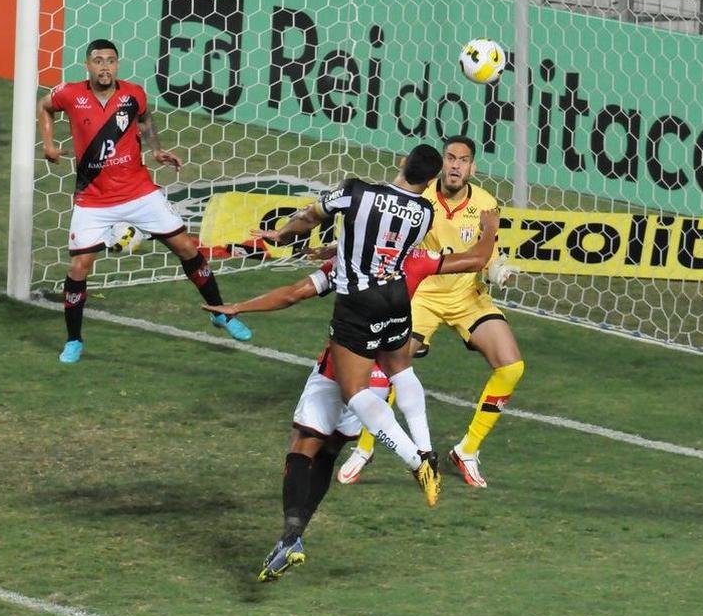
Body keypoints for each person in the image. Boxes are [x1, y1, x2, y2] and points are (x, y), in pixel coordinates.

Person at [207, 210, 499, 581]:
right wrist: (490, 228)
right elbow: (476, 258)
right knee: (329, 453)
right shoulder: (415, 261)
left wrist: (238, 306)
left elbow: (293, 294)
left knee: (303, 449)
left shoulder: (346, 266)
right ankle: (422, 457)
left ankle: (292, 536)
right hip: (380, 378)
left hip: (338, 371)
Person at [38, 38, 252, 363]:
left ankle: (221, 313)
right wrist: (49, 145)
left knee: (187, 248)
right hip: (93, 199)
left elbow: (145, 119)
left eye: (110, 60)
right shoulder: (70, 93)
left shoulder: (133, 93)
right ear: (87, 65)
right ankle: (73, 340)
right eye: (98, 61)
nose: (105, 66)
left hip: (139, 192)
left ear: (117, 64)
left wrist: (155, 149)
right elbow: (44, 106)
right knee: (79, 266)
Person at [254, 146, 444, 507]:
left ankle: (415, 462)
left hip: (360, 303)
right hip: (397, 299)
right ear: (431, 180)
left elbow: (311, 216)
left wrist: (282, 234)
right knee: (401, 370)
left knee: (354, 391)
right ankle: (427, 448)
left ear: (402, 161)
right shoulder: (425, 213)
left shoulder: (356, 190)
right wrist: (339, 248)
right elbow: (387, 245)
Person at [339, 135, 522, 488]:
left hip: (467, 296)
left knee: (512, 366)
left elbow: (488, 254)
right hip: (421, 294)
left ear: (473, 167)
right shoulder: (418, 198)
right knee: (391, 365)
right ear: (440, 164)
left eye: (463, 160)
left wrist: (498, 268)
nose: (455, 165)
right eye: (450, 158)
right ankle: (364, 448)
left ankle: (466, 451)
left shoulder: (486, 204)